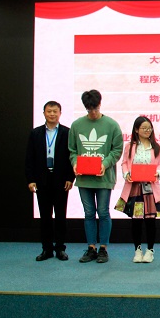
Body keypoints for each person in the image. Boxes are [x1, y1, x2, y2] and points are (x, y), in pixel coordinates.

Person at [68, 89, 123, 264]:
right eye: (88, 109)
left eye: (95, 108)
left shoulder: (111, 125)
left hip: (104, 178)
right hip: (84, 178)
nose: (92, 112)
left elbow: (117, 150)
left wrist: (104, 164)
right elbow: (72, 150)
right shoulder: (77, 125)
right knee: (89, 213)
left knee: (103, 212)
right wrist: (75, 163)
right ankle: (91, 247)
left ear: (100, 104)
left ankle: (103, 249)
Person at [25, 101, 75, 261]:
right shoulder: (35, 133)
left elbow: (72, 157)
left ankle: (60, 248)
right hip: (42, 179)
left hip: (61, 179)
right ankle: (46, 249)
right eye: (49, 111)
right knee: (45, 216)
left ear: (60, 113)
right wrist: (31, 179)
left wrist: (70, 177)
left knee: (61, 215)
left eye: (55, 111)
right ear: (44, 113)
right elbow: (29, 158)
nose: (52, 114)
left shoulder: (67, 133)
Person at [115, 117, 160, 263]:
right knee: (136, 221)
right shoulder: (130, 146)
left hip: (150, 188)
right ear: (136, 130)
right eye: (144, 128)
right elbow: (124, 163)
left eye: (149, 128)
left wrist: (158, 172)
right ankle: (137, 250)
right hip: (135, 188)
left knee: (150, 221)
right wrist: (127, 173)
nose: (147, 130)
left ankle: (150, 251)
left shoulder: (157, 146)